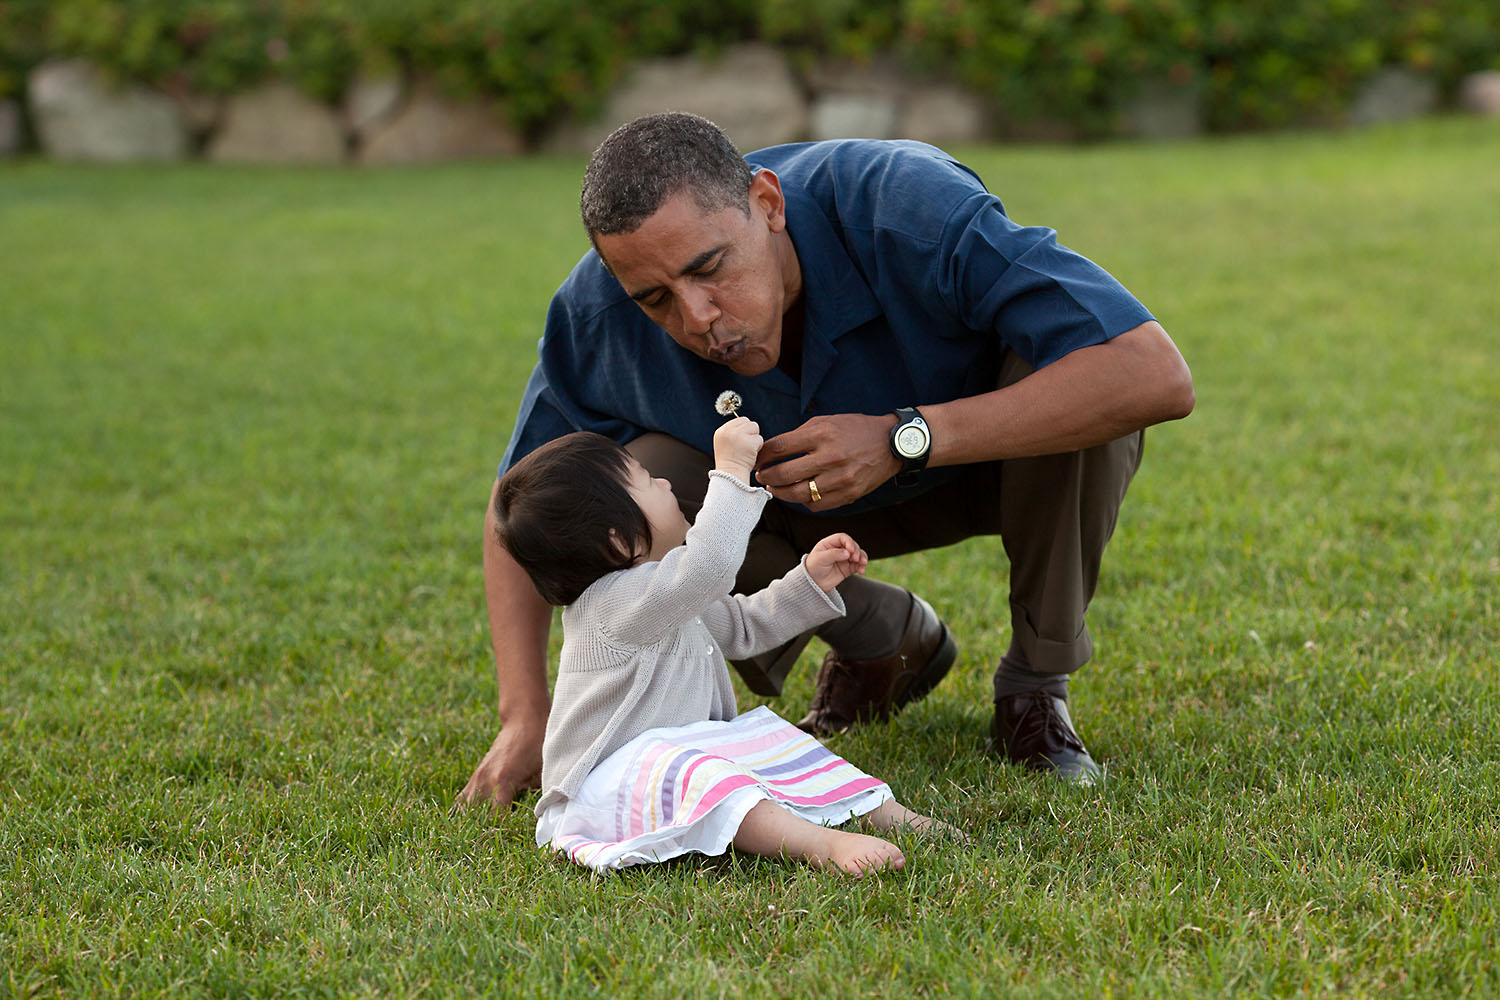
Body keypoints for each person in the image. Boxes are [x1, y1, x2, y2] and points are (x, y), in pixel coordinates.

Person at [460, 111, 1194, 808]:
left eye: (710, 267)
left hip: (985, 474)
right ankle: (882, 638)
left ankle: (1035, 685)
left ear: (767, 203)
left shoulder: (904, 203)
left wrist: (904, 437)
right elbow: (519, 501)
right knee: (640, 478)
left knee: (1077, 370)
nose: (697, 317)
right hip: (791, 516)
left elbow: (1150, 372)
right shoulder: (596, 313)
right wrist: (525, 713)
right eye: (656, 299)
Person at [496, 416, 948, 874]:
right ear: (617, 540)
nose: (666, 483)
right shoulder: (612, 603)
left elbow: (743, 627)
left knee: (774, 740)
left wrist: (809, 582)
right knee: (700, 770)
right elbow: (710, 563)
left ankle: (889, 814)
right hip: (607, 789)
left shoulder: (663, 593)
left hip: (680, 766)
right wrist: (731, 470)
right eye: (647, 481)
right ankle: (819, 843)